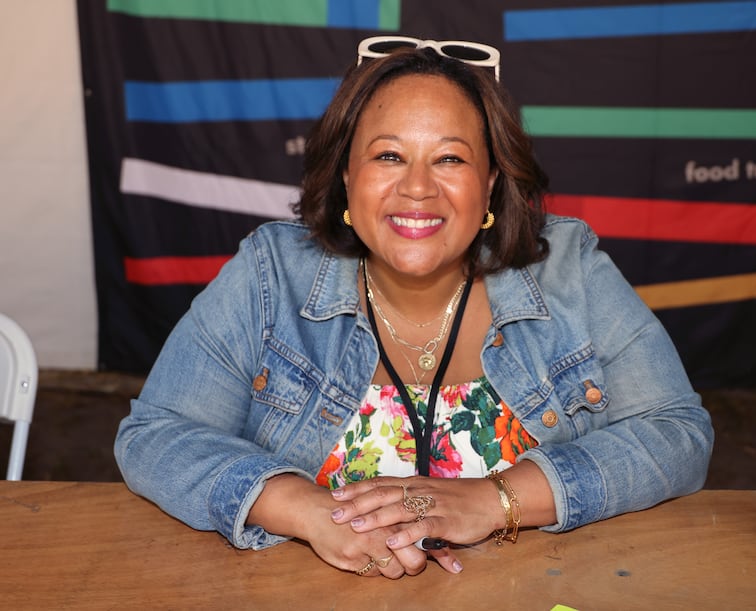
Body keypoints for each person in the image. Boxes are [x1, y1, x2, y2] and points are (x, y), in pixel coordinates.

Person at [115, 36, 714, 579]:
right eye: (388, 156)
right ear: (347, 176)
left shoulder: (568, 269)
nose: (418, 188)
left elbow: (678, 434)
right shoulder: (272, 273)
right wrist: (305, 509)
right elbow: (154, 436)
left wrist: (496, 498)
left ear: (492, 184)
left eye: (450, 159)